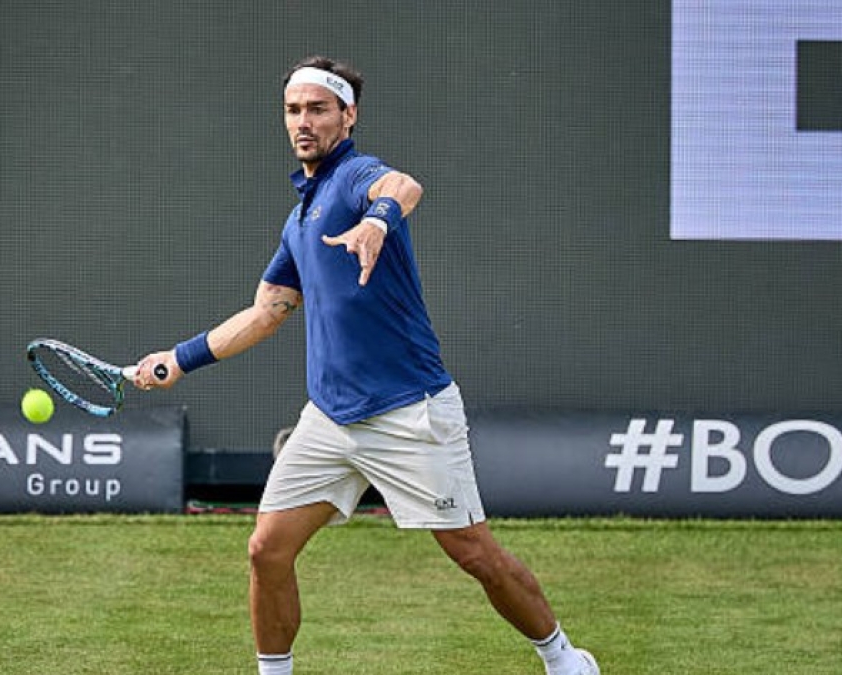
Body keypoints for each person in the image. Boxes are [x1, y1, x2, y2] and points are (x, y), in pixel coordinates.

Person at [133, 55, 600, 675]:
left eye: (318, 109)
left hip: (410, 413)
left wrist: (377, 222)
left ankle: (565, 660)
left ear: (348, 116)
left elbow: (402, 186)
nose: (303, 122)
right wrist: (179, 359)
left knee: (474, 553)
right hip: (329, 421)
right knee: (267, 550)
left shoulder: (355, 177)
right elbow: (268, 311)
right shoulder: (300, 218)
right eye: (293, 110)